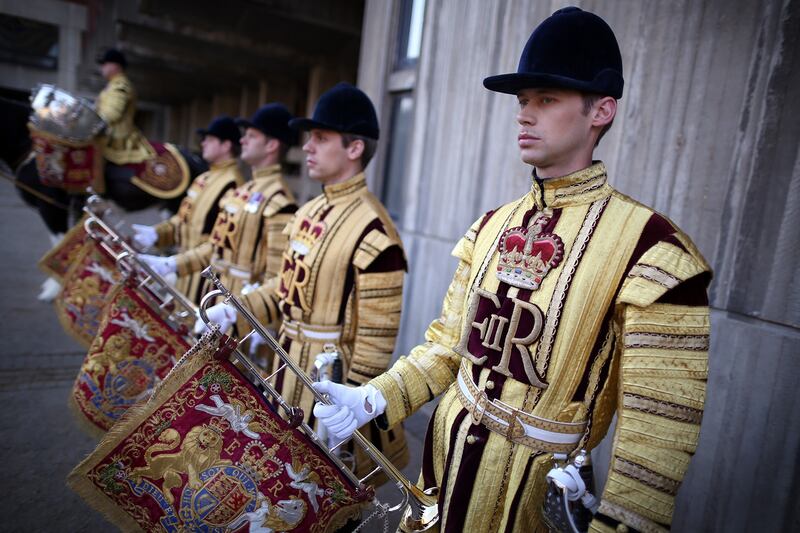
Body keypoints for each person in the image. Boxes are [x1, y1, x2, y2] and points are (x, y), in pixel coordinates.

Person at [312, 8, 712, 532]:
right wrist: (374, 396)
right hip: (442, 481)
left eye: (547, 99)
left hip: (532, 507)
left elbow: (653, 443)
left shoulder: (652, 251)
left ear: (602, 110)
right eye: (524, 101)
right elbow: (448, 347)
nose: (525, 115)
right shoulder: (491, 225)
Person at [201, 84, 409, 477]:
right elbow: (283, 287)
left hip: (330, 390)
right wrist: (234, 310)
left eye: (320, 137)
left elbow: (376, 345)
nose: (308, 147)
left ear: (354, 148)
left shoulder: (375, 232)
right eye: (309, 137)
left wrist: (354, 414)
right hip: (286, 371)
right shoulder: (309, 209)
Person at [171, 103, 299, 335]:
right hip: (217, 295)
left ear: (271, 145)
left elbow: (275, 276)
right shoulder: (246, 189)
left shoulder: (280, 200)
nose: (242, 141)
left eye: (251, 136)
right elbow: (217, 247)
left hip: (243, 315)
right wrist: (171, 264)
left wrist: (265, 325)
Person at [134, 116, 244, 303]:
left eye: (210, 139)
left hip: (205, 279)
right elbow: (182, 218)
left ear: (226, 145)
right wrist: (157, 233)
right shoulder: (204, 178)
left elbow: (220, 242)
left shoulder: (233, 184)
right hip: (182, 269)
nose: (203, 143)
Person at [95, 48, 154, 165]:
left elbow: (111, 114)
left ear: (116, 66)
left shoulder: (120, 84)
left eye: (105, 64)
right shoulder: (112, 85)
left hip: (116, 142)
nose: (102, 67)